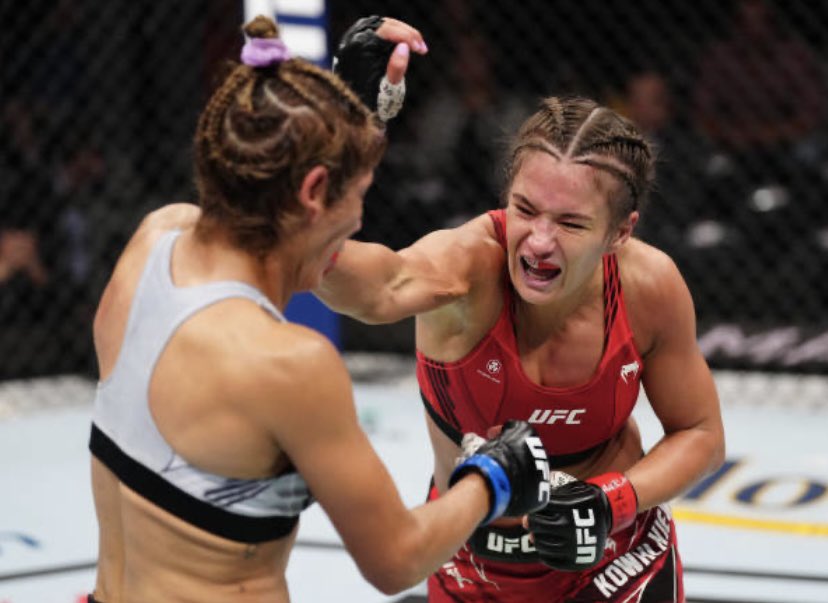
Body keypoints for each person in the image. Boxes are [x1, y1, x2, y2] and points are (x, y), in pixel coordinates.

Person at [86, 15, 553, 603]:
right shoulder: (289, 364)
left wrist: (343, 117)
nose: (358, 220)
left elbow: (335, 259)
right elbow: (397, 559)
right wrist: (495, 477)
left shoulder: (155, 241)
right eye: (356, 198)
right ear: (312, 193)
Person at [315, 95, 726, 601]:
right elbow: (373, 288)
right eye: (524, 210)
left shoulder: (648, 286)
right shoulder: (466, 268)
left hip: (613, 552)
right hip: (471, 562)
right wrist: (305, 178)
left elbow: (702, 434)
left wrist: (609, 502)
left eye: (571, 223)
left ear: (620, 232)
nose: (538, 242)